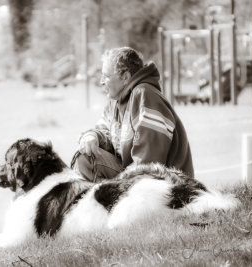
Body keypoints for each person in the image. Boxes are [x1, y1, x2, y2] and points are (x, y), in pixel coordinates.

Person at [72, 47, 194, 182]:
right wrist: (92, 136)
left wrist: (113, 189)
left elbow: (148, 164)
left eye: (106, 76)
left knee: (86, 160)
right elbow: (104, 130)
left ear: (125, 77)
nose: (101, 81)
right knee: (86, 154)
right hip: (138, 179)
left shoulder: (145, 95)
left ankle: (107, 201)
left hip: (169, 187)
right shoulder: (115, 102)